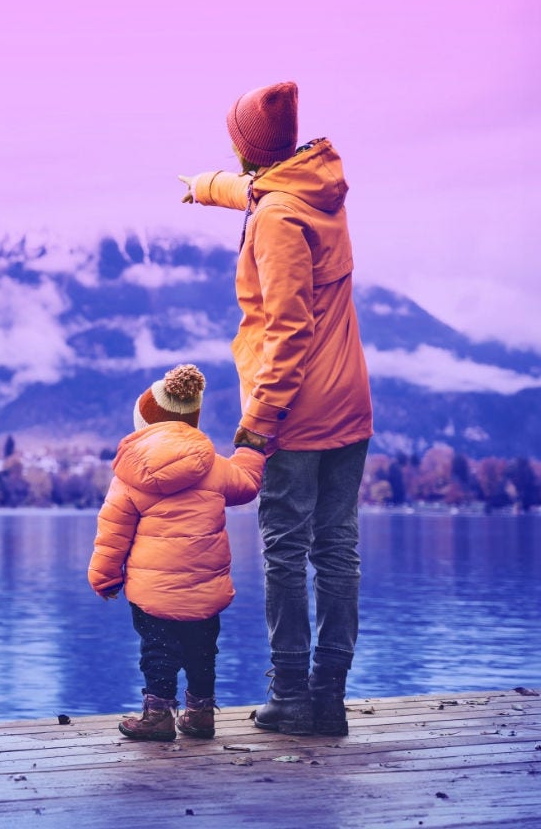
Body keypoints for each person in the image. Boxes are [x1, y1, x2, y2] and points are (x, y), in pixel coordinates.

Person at [179, 80, 374, 736]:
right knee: (338, 550)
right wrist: (206, 185)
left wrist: (257, 427)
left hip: (297, 410)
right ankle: (330, 700)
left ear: (248, 148)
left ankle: (290, 695)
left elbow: (289, 331)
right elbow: (259, 190)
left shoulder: (275, 221)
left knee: (288, 553)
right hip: (351, 403)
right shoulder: (315, 192)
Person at [89, 364, 266, 741]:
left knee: (157, 650)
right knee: (204, 651)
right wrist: (249, 448)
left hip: (151, 591)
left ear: (145, 421)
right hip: (205, 586)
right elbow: (249, 484)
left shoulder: (129, 476)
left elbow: (112, 532)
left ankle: (158, 716)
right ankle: (200, 714)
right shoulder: (214, 468)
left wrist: (105, 577)